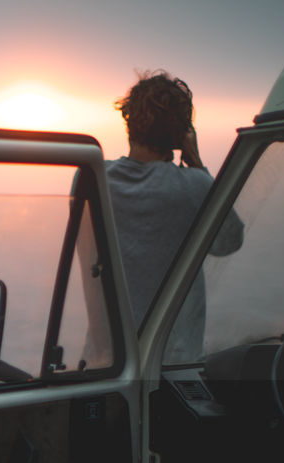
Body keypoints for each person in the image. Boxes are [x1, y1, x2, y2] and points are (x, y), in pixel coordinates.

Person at [104, 70, 243, 362]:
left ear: (129, 120)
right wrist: (196, 163)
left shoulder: (94, 179)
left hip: (107, 360)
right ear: (181, 131)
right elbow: (229, 242)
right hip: (172, 363)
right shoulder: (193, 186)